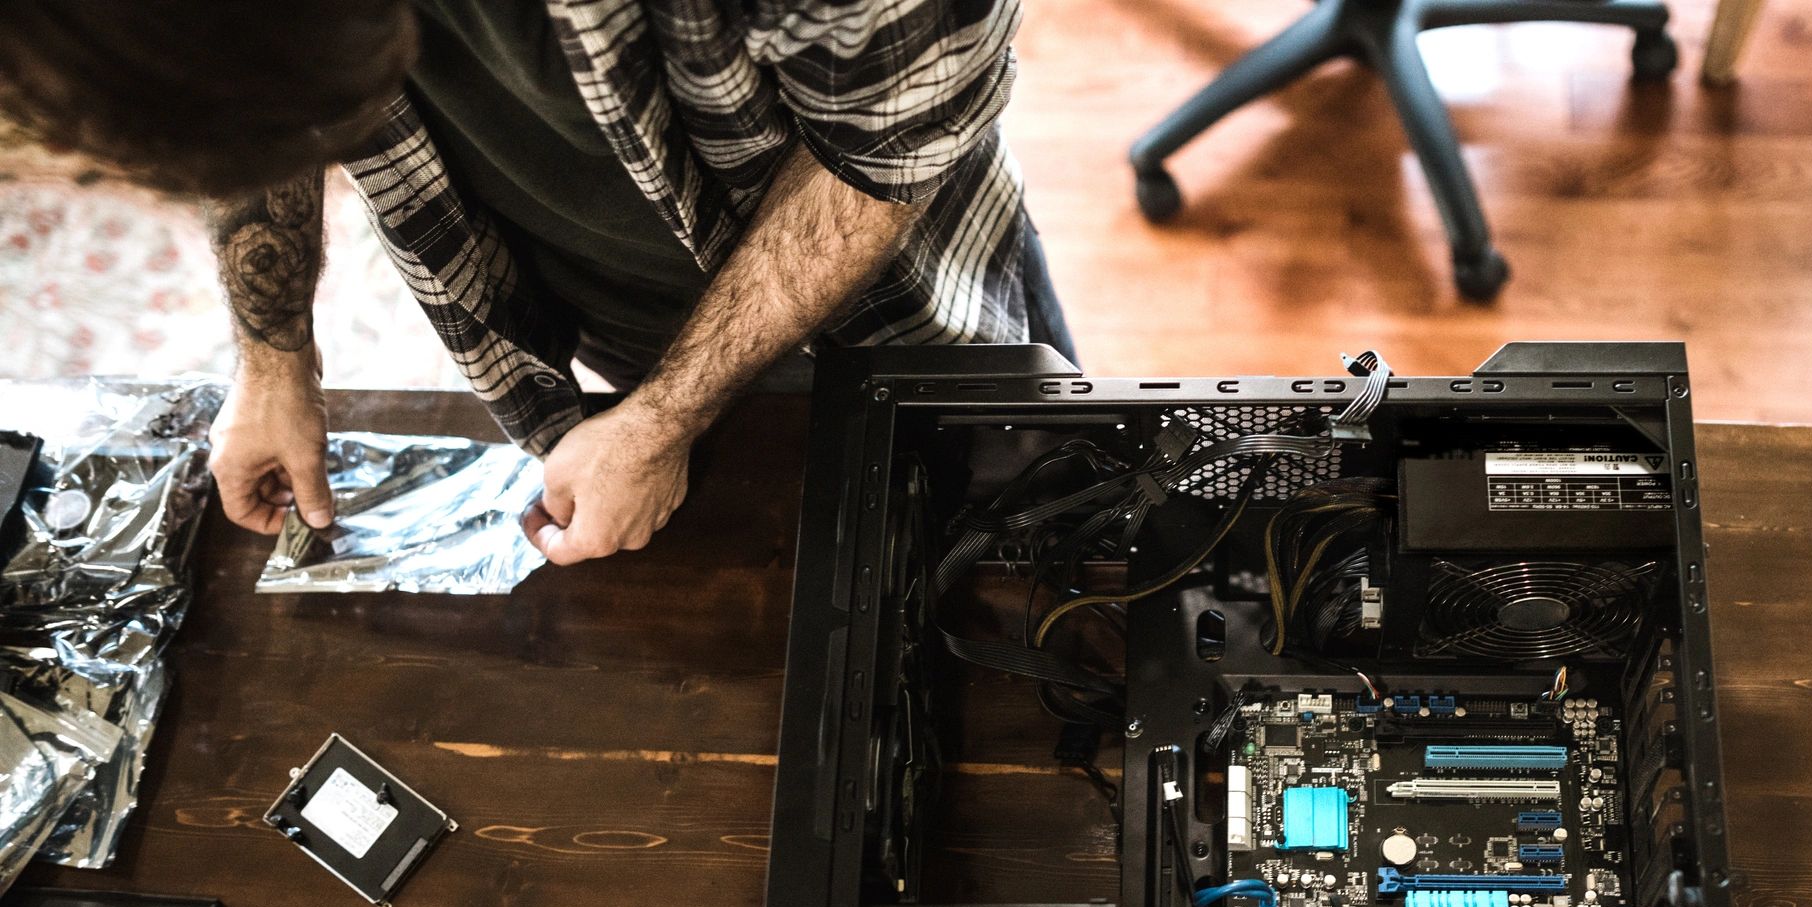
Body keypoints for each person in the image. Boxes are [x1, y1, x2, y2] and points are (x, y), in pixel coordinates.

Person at [0, 0, 1073, 564]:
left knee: (1042, 531)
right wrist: (274, 356)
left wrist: (663, 417)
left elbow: (884, 152)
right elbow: (246, 96)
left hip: (900, 297)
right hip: (615, 316)